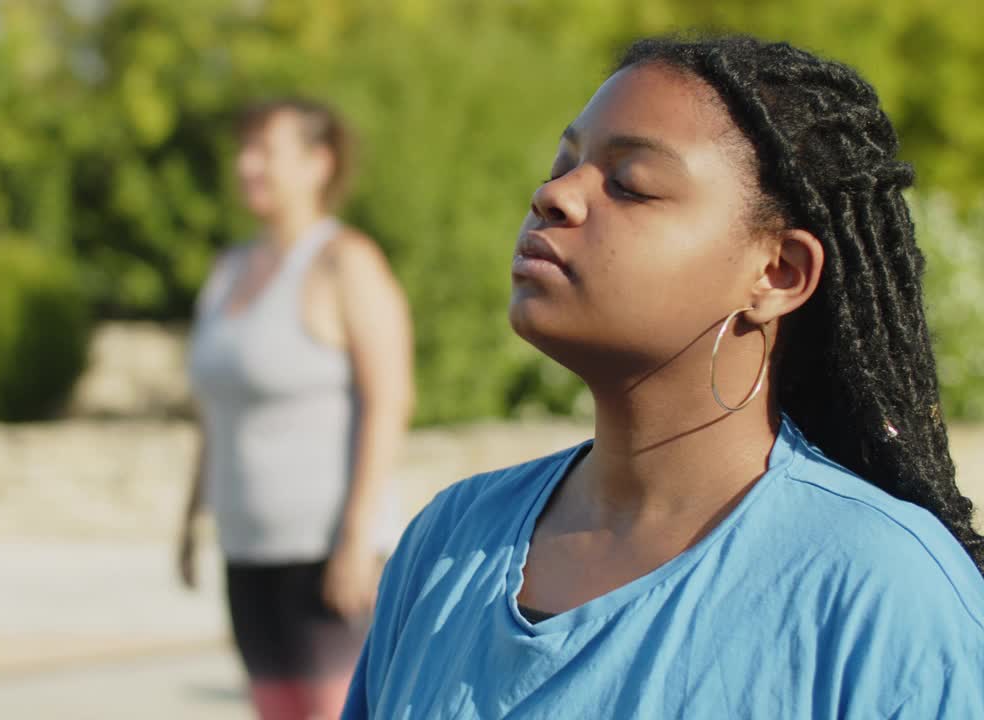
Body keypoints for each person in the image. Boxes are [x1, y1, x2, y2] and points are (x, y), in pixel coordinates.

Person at [343, 35, 984, 718]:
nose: (553, 194)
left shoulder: (879, 588)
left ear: (778, 274)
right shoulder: (451, 540)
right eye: (564, 164)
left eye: (631, 184)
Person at [180, 98, 413, 720]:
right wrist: (190, 516)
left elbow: (390, 399)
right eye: (244, 150)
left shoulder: (345, 263)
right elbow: (214, 411)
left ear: (318, 163)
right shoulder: (226, 271)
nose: (247, 165)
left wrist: (357, 538)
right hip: (246, 549)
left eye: (266, 152)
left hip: (327, 552)